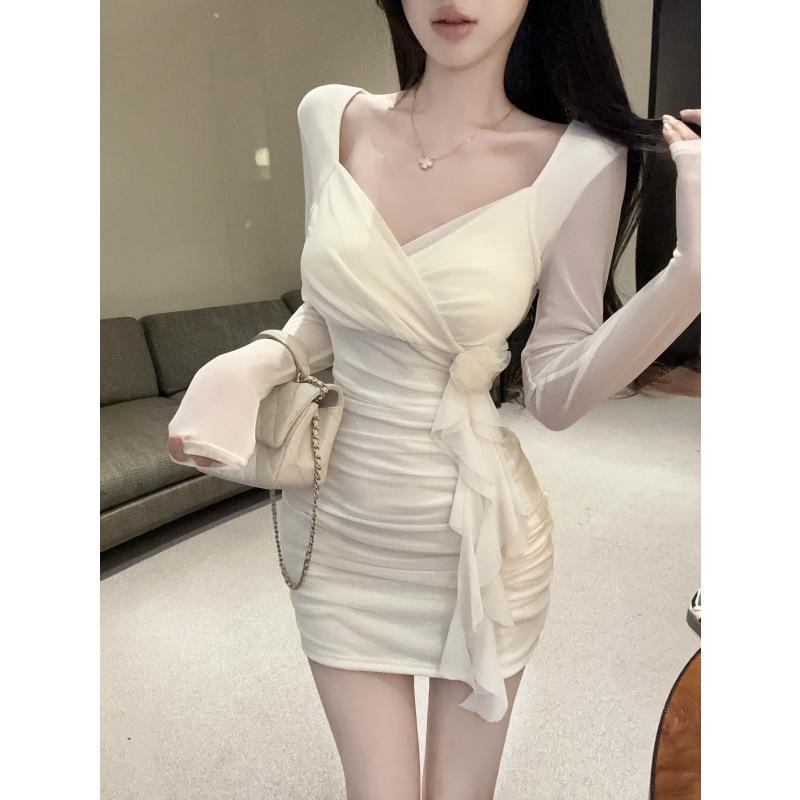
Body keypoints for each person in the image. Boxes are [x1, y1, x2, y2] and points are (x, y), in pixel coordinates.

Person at [167, 2, 700, 798]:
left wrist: (692, 278)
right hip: (338, 533)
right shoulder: (329, 117)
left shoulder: (580, 159)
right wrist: (257, 361)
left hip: (476, 543)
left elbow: (552, 392)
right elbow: (334, 305)